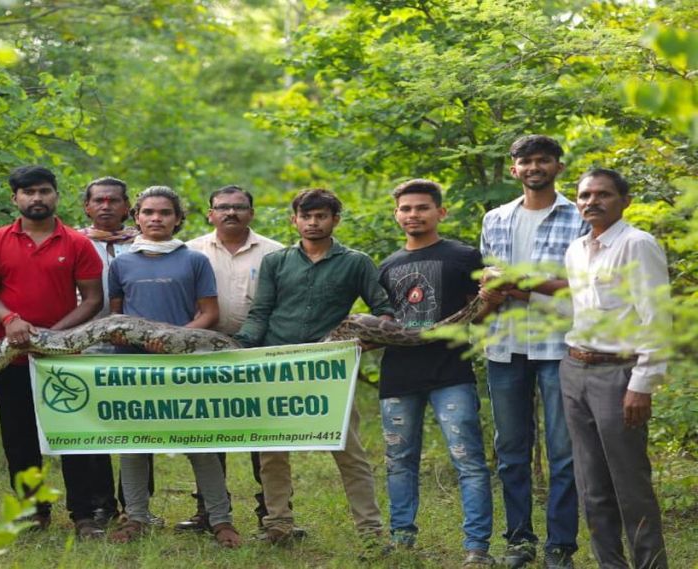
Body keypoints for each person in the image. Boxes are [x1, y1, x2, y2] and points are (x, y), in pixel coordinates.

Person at [235, 188, 393, 544]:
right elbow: (260, 313)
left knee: (347, 449)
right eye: (306, 216)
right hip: (276, 364)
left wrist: (370, 337)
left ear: (335, 220)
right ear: (295, 220)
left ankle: (370, 532)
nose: (313, 222)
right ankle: (278, 525)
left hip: (328, 370)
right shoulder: (276, 262)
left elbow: (384, 310)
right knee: (272, 451)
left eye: (321, 216)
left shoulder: (356, 262)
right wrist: (237, 348)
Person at [0, 165, 107, 539]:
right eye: (28, 192)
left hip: (63, 357)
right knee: (19, 438)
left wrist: (52, 335)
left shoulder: (77, 243)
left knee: (73, 435)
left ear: (56, 196)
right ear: (15, 197)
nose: (37, 198)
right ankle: (32, 511)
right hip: (9, 355)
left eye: (44, 191)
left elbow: (93, 299)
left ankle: (84, 515)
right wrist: (12, 319)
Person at [106, 186, 241, 548]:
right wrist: (130, 338)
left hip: (183, 365)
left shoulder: (194, 260)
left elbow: (209, 314)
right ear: (135, 217)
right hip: (134, 367)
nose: (156, 219)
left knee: (199, 443)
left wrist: (172, 339)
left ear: (178, 219)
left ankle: (220, 518)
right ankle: (135, 516)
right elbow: (116, 317)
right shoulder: (121, 263)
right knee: (133, 443)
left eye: (165, 213)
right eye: (148, 212)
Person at [479, 135, 587, 568]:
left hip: (559, 345)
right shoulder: (496, 218)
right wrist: (490, 287)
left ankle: (560, 545)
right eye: (526, 161)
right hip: (504, 346)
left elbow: (585, 286)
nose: (534, 167)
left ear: (559, 167)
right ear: (514, 169)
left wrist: (524, 285)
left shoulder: (578, 216)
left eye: (543, 160)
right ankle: (518, 541)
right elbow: (489, 277)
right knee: (510, 451)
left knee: (564, 451)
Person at [376, 180, 493, 567]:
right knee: (398, 458)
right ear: (396, 215)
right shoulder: (387, 266)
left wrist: (493, 298)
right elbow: (385, 323)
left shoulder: (463, 256)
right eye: (406, 209)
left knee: (468, 460)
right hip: (398, 375)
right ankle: (402, 537)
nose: (414, 215)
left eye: (422, 208)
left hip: (451, 372)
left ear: (440, 212)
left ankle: (476, 546)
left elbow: (483, 311)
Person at [562, 168, 670, 568]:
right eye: (585, 195)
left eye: (603, 194)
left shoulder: (637, 245)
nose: (592, 201)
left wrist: (641, 383)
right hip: (574, 369)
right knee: (591, 484)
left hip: (618, 374)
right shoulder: (575, 250)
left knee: (630, 484)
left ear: (625, 200)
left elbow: (656, 318)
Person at [181, 185, 284, 535]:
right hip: (203, 352)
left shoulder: (275, 253)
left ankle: (271, 513)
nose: (231, 213)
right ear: (209, 214)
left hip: (259, 354)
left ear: (251, 213)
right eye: (222, 207)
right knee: (207, 433)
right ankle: (208, 510)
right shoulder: (189, 250)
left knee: (264, 436)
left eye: (239, 207)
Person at [76, 176, 144, 525]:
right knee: (95, 424)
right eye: (98, 201)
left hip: (138, 344)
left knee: (139, 422)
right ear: (87, 207)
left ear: (126, 206)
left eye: (113, 200)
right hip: (87, 343)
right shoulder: (75, 243)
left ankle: (138, 505)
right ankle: (102, 503)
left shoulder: (144, 242)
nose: (105, 206)